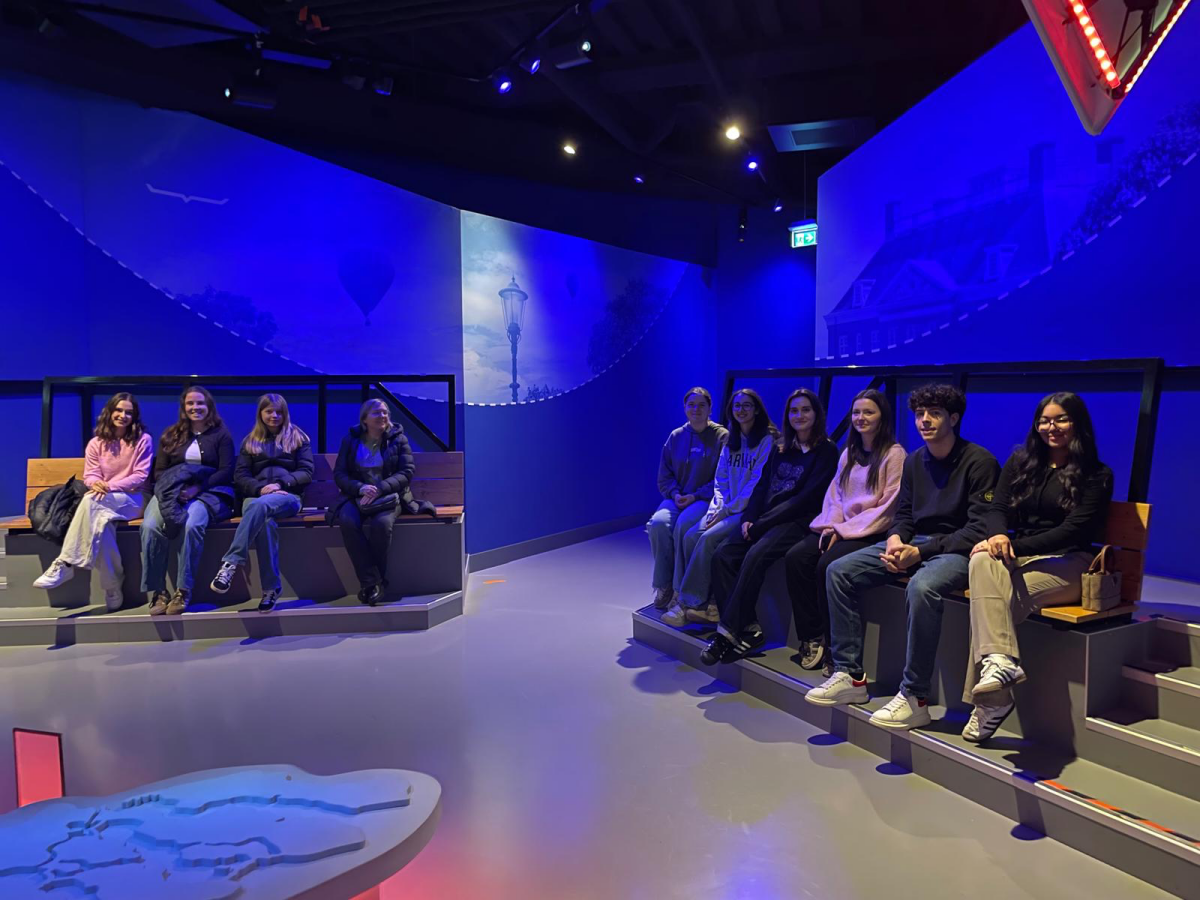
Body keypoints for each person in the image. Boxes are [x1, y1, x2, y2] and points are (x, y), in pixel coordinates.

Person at [805, 383, 999, 732]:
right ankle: (850, 676)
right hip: (915, 543)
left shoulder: (979, 461)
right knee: (838, 570)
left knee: (921, 587)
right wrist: (895, 539)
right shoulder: (914, 461)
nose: (925, 420)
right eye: (920, 414)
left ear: (954, 418)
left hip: (956, 550)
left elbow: (978, 529)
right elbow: (904, 514)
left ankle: (915, 697)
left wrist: (919, 552)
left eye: (934, 414)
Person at [962, 392, 1112, 743]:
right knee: (981, 559)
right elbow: (997, 509)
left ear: (1077, 424)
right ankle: (1000, 670)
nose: (1051, 427)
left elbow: (1074, 531)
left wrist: (1012, 547)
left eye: (1061, 419)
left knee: (991, 604)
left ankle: (990, 701)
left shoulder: (1097, 475)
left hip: (1071, 562)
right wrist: (998, 535)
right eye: (1044, 420)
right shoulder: (1021, 462)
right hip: (1022, 555)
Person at [699, 388, 838, 665]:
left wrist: (760, 524)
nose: (799, 415)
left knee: (756, 554)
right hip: (765, 518)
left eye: (805, 410)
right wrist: (749, 517)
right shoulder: (782, 447)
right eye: (794, 410)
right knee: (722, 555)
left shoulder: (827, 450)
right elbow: (762, 486)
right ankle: (749, 629)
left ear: (816, 414)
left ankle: (726, 633)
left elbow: (803, 500)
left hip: (797, 521)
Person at [786, 389, 906, 673]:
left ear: (882, 417)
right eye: (856, 412)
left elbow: (888, 507)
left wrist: (843, 531)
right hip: (840, 526)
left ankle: (833, 647)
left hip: (871, 531)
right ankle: (811, 636)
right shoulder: (848, 453)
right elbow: (836, 496)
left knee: (826, 565)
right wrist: (833, 526)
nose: (860, 418)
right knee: (796, 557)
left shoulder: (895, 454)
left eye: (868, 412)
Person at [661, 388, 776, 627]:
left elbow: (755, 484)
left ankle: (687, 603)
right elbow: (720, 480)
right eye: (737, 406)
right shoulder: (730, 439)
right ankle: (705, 601)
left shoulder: (766, 441)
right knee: (691, 536)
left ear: (756, 409)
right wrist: (717, 507)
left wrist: (728, 510)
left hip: (746, 511)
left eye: (746, 405)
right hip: (724, 507)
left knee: (706, 538)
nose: (741, 410)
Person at [33, 393, 153, 611]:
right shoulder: (96, 443)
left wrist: (108, 486)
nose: (123, 415)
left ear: (134, 416)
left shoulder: (143, 440)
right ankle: (113, 586)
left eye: (128, 412)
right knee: (101, 527)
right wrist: (96, 483)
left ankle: (66, 562)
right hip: (104, 500)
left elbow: (139, 476)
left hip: (135, 499)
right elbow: (90, 475)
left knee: (91, 501)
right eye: (119, 410)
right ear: (110, 411)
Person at [209, 393, 314, 612]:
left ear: (285, 414)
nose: (274, 416)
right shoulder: (250, 441)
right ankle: (271, 590)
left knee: (260, 507)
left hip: (287, 497)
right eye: (269, 411)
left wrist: (280, 484)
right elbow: (240, 475)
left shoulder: (298, 438)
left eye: (279, 412)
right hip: (255, 497)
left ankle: (230, 563)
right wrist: (259, 489)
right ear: (261, 414)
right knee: (264, 520)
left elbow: (306, 472)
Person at [140, 386, 236, 616]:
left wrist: (196, 488)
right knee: (149, 526)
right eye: (190, 403)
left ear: (209, 406)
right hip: (171, 491)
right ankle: (159, 591)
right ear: (183, 407)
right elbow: (159, 472)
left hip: (208, 490)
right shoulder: (171, 434)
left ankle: (183, 590)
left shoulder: (221, 435)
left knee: (192, 525)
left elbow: (226, 470)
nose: (195, 407)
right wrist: (177, 488)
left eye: (200, 403)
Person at [646, 387, 728, 609]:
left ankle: (680, 589)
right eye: (691, 405)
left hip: (704, 499)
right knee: (658, 524)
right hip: (677, 497)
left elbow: (723, 477)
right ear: (684, 408)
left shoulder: (722, 436)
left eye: (701, 405)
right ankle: (663, 584)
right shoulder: (676, 436)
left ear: (710, 408)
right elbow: (664, 476)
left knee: (683, 526)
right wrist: (675, 494)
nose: (696, 409)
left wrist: (696, 495)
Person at [332, 399, 415, 606]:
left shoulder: (399, 439)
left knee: (381, 525)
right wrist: (360, 488)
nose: (383, 416)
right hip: (357, 496)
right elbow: (340, 474)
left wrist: (380, 488)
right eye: (377, 413)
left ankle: (371, 585)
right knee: (347, 521)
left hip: (389, 496)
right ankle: (374, 583)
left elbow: (406, 472)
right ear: (365, 419)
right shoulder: (351, 440)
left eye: (385, 412)